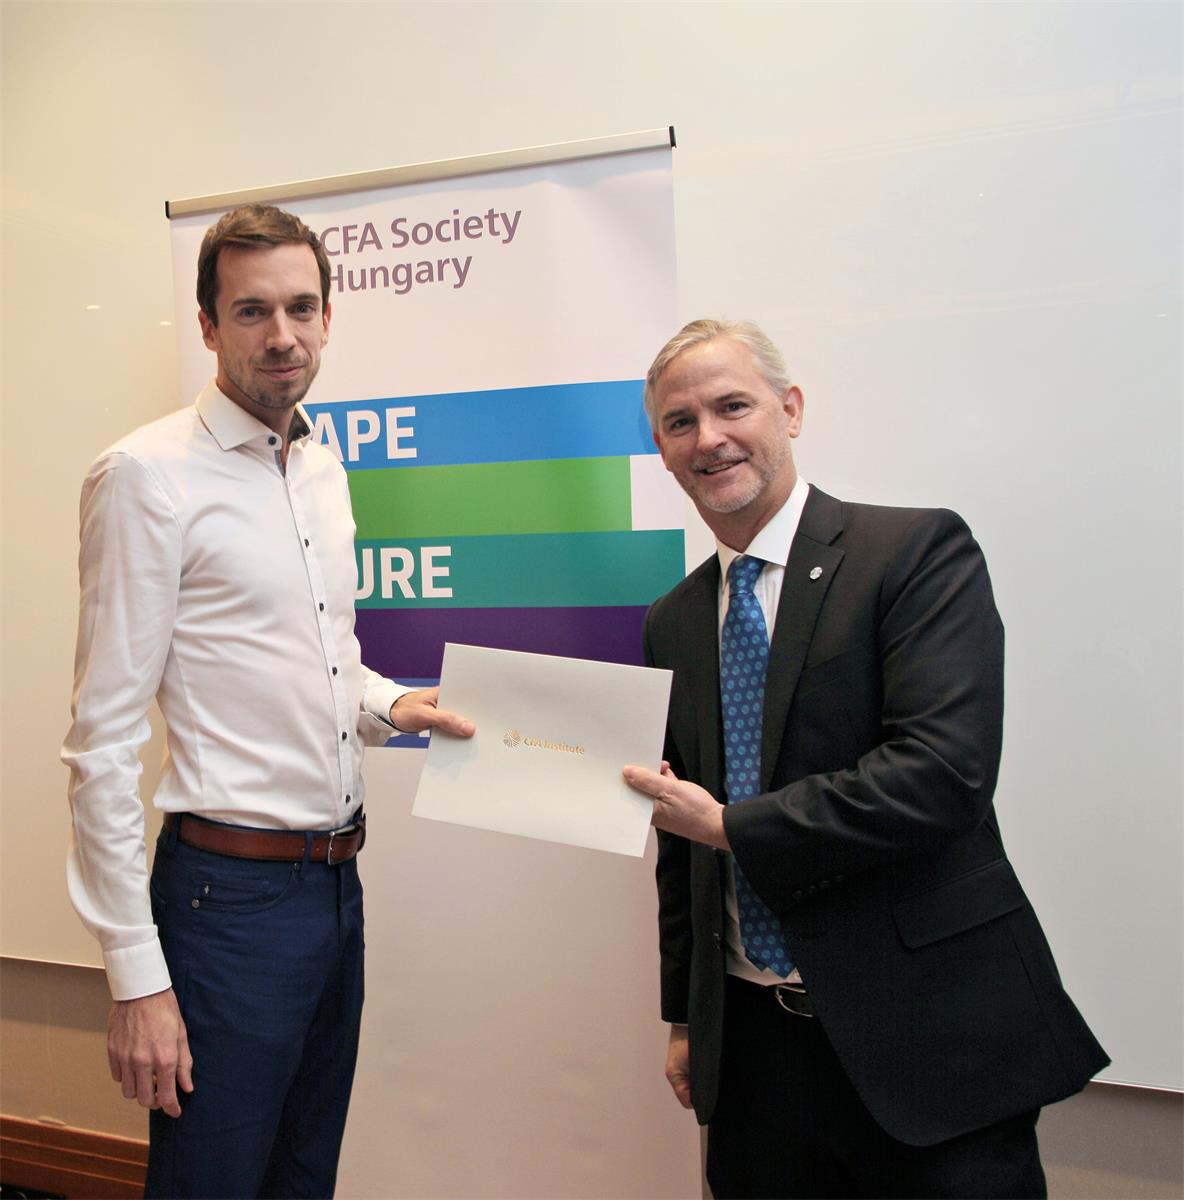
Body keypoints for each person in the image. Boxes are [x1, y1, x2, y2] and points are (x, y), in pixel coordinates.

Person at [623, 319, 1108, 1199]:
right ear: (661, 449)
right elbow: (679, 840)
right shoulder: (673, 621)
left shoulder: (914, 554)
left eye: (732, 406)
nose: (709, 438)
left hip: (929, 1038)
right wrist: (687, 1016)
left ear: (790, 410)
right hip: (755, 1055)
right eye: (680, 422)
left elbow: (943, 776)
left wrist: (732, 826)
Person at [61, 203, 473, 1199]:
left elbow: (319, 665)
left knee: (302, 1175)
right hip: (226, 905)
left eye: (300, 308)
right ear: (208, 326)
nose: (282, 335)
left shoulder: (321, 468)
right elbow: (101, 744)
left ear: (328, 317)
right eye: (252, 311)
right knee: (212, 1182)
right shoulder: (145, 476)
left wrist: (392, 707)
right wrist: (136, 975)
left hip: (336, 887)